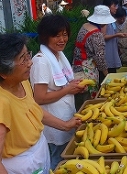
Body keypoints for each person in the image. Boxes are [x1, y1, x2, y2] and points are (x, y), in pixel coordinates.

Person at [0, 33, 82, 174]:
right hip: (20, 165)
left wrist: (65, 125)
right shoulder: (2, 102)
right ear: (3, 73)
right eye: (23, 59)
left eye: (28, 55)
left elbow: (33, 110)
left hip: (39, 151)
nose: (30, 62)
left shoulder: (23, 82)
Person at [29, 14, 85, 170]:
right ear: (46, 36)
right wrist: (68, 89)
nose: (62, 39)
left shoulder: (57, 55)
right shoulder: (41, 61)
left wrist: (73, 86)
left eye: (65, 34)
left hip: (66, 118)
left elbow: (60, 85)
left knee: (67, 159)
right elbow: (39, 98)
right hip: (55, 124)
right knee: (58, 161)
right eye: (56, 35)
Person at [72, 5, 116, 109]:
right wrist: (107, 75)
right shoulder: (97, 34)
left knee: (80, 102)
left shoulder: (85, 26)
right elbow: (100, 58)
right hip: (86, 71)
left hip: (76, 68)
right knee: (88, 104)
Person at [100, 0, 124, 83]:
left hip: (112, 51)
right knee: (108, 79)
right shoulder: (104, 19)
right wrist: (116, 35)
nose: (116, 8)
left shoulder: (111, 19)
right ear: (108, 7)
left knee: (113, 76)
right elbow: (102, 37)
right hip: (107, 53)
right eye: (114, 5)